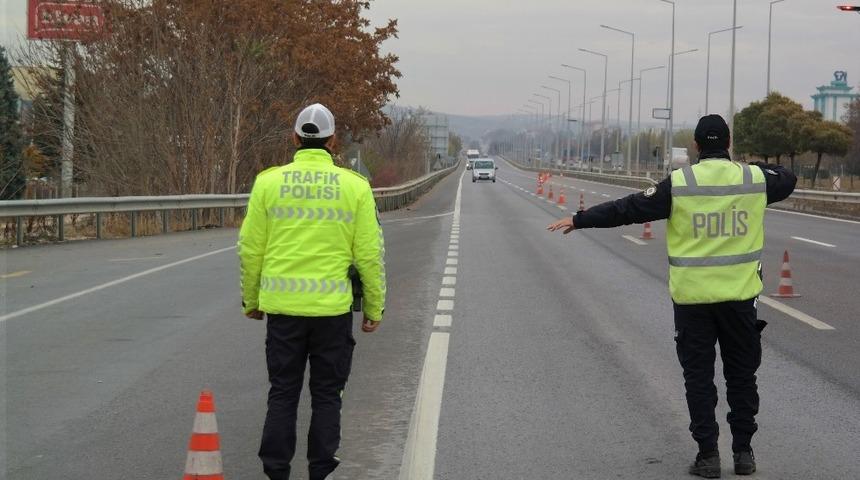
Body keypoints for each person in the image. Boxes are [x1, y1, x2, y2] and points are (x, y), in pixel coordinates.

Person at [548, 114, 796, 478]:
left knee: (699, 378)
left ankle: (708, 456)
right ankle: (744, 454)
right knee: (742, 377)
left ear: (696, 146)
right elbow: (787, 178)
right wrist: (752, 165)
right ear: (728, 144)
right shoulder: (752, 179)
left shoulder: (679, 183)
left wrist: (580, 219)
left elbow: (627, 209)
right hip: (740, 300)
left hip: (693, 301)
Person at [238, 103, 386, 480]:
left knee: (283, 393)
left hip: (283, 313)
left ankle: (276, 472)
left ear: (294, 139)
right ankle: (321, 472)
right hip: (332, 315)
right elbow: (369, 254)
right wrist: (374, 307)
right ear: (333, 141)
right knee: (326, 396)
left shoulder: (268, 183)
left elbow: (251, 248)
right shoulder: (355, 187)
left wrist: (252, 301)